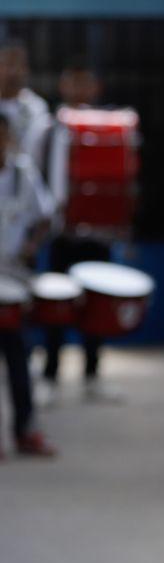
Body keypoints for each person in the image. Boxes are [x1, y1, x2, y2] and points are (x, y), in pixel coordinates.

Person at [39, 60, 114, 400]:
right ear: (63, 88)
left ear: (96, 88)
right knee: (56, 306)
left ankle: (92, 375)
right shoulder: (49, 128)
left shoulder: (109, 127)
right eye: (74, 83)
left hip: (97, 235)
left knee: (97, 306)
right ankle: (51, 374)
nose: (81, 90)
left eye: (87, 83)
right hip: (61, 233)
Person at [0, 113, 56, 458]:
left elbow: (45, 216)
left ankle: (24, 431)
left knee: (19, 360)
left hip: (14, 279)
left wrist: (32, 244)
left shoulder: (23, 173)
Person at [0, 40, 53, 162]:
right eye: (7, 64)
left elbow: (35, 151)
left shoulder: (37, 107)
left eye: (18, 65)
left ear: (26, 69)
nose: (12, 72)